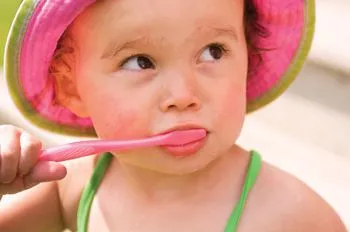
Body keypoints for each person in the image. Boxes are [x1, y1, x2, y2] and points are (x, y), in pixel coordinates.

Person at [0, 0, 346, 231]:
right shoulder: (71, 188)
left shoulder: (292, 216)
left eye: (213, 52)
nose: (183, 95)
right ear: (71, 88)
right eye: (140, 62)